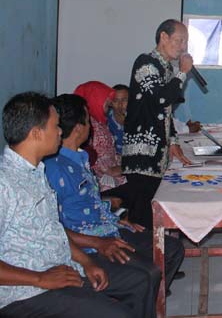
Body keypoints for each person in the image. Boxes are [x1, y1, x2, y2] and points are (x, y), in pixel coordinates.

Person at [0, 92, 144, 318]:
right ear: (36, 133)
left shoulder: (36, 172)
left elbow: (53, 230)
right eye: (55, 126)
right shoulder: (4, 183)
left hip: (60, 270)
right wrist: (40, 279)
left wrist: (86, 262)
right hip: (24, 292)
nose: (60, 131)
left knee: (135, 288)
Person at [45, 94, 185, 313]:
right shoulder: (54, 169)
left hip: (108, 228)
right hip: (88, 243)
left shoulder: (78, 158)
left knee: (173, 248)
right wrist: (100, 241)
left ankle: (144, 301)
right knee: (147, 274)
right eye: (88, 118)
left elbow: (87, 203)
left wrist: (118, 218)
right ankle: (135, 301)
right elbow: (54, 225)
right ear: (80, 127)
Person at [121, 19, 193, 228]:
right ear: (163, 37)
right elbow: (161, 99)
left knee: (153, 210)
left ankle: (154, 252)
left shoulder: (166, 68)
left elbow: (166, 112)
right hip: (141, 154)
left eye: (185, 42)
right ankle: (138, 256)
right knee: (142, 213)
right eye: (179, 41)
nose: (183, 47)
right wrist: (183, 72)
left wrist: (172, 140)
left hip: (157, 153)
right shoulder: (145, 63)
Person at [74, 81, 126, 192]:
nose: (111, 105)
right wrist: (110, 169)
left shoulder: (100, 123)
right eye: (107, 102)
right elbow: (87, 157)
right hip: (99, 178)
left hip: (112, 171)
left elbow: (109, 153)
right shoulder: (87, 126)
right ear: (95, 100)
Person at [107, 84, 128, 155]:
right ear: (110, 103)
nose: (120, 104)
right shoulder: (104, 122)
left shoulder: (138, 120)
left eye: (124, 100)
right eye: (116, 100)